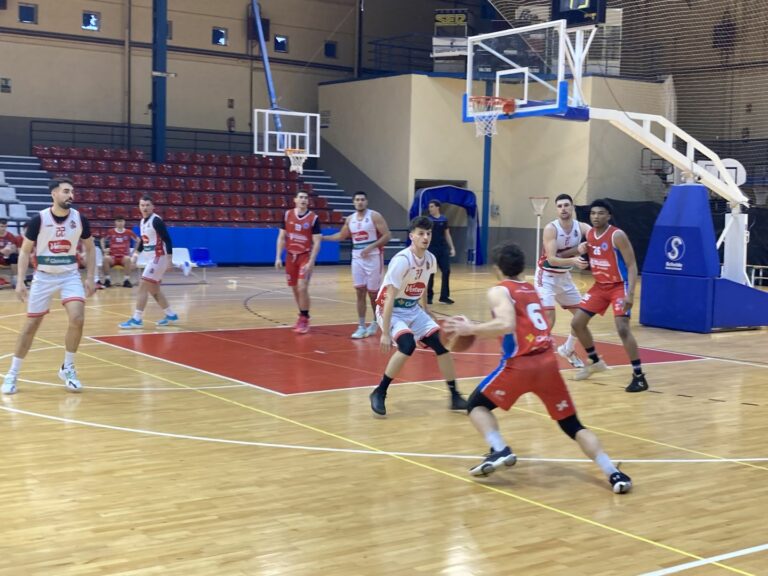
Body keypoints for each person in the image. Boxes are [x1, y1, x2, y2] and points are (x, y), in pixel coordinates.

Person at [444, 241, 632, 493]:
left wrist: (472, 329)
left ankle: (499, 449)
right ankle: (614, 473)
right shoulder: (531, 289)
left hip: (520, 365)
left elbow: (507, 324)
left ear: (497, 268)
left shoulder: (499, 291)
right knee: (573, 426)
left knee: (476, 405)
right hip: (548, 364)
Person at [1, 177, 97, 395]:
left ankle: (68, 368)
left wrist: (91, 277)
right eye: (65, 191)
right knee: (31, 326)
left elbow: (90, 249)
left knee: (77, 318)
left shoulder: (79, 219)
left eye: (72, 191)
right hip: (43, 276)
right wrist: (20, 281)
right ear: (54, 194)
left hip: (69, 274)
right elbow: (25, 251)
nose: (70, 195)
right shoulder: (39, 220)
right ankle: (13, 373)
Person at [369, 216, 467, 416]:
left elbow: (421, 285)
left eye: (428, 233)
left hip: (412, 308)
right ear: (411, 236)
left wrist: (425, 308)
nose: (425, 237)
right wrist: (385, 333)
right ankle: (380, 391)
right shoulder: (401, 261)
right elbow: (388, 298)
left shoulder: (430, 259)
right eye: (421, 233)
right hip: (390, 308)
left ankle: (455, 395)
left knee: (442, 345)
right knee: (407, 345)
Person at [570, 199, 649, 393]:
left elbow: (632, 265)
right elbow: (592, 252)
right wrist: (580, 252)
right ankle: (595, 361)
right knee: (576, 323)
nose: (596, 216)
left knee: (622, 328)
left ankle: (639, 376)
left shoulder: (617, 235)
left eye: (600, 213)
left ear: (609, 216)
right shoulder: (589, 234)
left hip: (618, 286)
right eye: (593, 213)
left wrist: (631, 293)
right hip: (599, 286)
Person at [323, 191, 391, 338]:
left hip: (373, 258)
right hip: (357, 259)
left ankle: (375, 321)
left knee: (373, 294)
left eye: (362, 199)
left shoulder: (374, 216)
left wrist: (371, 246)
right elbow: (341, 236)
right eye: (357, 200)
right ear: (353, 202)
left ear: (366, 202)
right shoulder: (350, 219)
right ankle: (361, 326)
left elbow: (387, 235)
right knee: (359, 292)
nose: (360, 202)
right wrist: (322, 238)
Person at [535, 193, 592, 369]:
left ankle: (567, 349)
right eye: (559, 206)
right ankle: (535, 356)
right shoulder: (551, 229)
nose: (563, 209)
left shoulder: (581, 227)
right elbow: (552, 259)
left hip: (564, 277)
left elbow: (598, 236)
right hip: (547, 276)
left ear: (572, 207)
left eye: (566, 205)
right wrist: (575, 255)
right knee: (549, 318)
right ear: (556, 209)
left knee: (581, 318)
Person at [118, 196, 179, 328]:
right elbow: (142, 241)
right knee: (154, 290)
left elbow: (167, 240)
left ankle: (137, 319)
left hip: (159, 257)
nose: (145, 208)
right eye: (142, 205)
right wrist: (135, 256)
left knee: (143, 285)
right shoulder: (142, 222)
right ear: (139, 207)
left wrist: (169, 260)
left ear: (152, 207)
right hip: (152, 258)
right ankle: (170, 314)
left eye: (147, 205)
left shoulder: (156, 221)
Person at [275, 190, 322, 334]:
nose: (303, 200)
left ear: (308, 201)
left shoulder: (313, 218)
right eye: (301, 197)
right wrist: (278, 257)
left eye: (306, 198)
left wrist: (311, 261)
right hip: (290, 256)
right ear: (295, 200)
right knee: (295, 289)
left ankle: (304, 318)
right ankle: (302, 313)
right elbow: (282, 237)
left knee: (302, 287)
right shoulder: (287, 215)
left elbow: (317, 242)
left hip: (305, 256)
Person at [425, 200, 456, 305]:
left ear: (437, 207)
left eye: (432, 206)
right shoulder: (428, 220)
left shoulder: (444, 219)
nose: (430, 208)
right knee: (431, 273)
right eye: (429, 207)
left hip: (443, 249)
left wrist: (452, 248)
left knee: (446, 271)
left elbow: (447, 234)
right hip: (431, 249)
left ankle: (444, 297)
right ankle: (428, 297)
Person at [102, 216, 139, 287]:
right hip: (113, 256)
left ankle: (126, 280)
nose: (120, 223)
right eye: (118, 221)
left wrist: (134, 251)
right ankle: (107, 280)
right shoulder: (111, 231)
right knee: (105, 258)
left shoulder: (129, 232)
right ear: (115, 222)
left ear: (124, 222)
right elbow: (102, 240)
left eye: (121, 221)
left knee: (128, 258)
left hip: (123, 257)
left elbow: (138, 240)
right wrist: (104, 249)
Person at [0, 218, 19, 287]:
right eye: (2, 226)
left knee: (14, 256)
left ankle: (15, 280)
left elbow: (14, 248)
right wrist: (1, 251)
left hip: (7, 257)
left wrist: (10, 251)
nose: (4, 228)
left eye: (5, 226)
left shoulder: (10, 235)